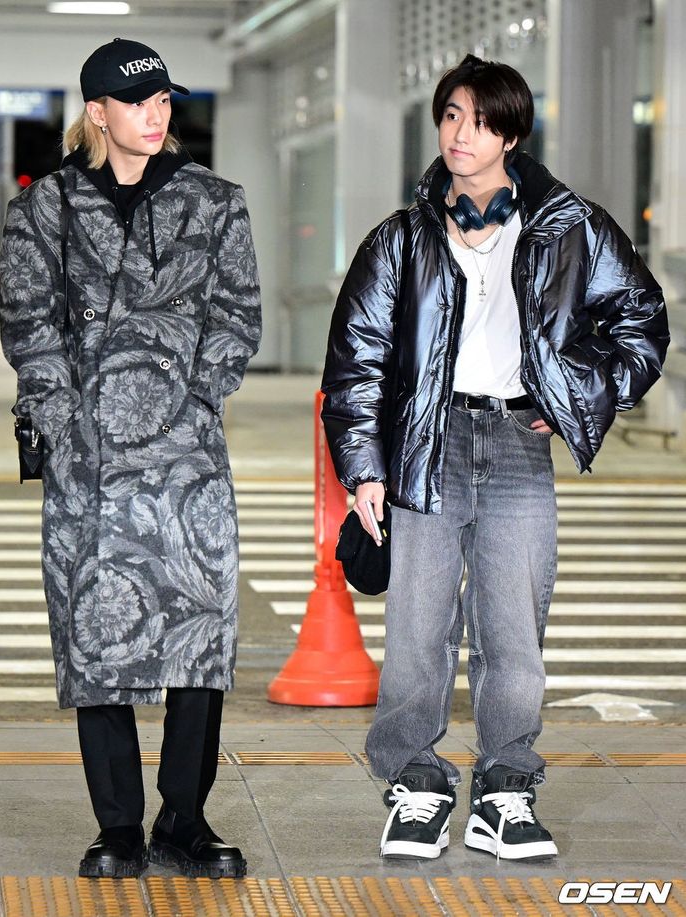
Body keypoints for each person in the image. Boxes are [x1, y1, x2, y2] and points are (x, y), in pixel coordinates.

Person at [321, 54, 668, 861]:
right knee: (416, 630)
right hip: (427, 446)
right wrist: (364, 466)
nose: (458, 133)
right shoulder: (401, 238)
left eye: (476, 120)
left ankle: (505, 789)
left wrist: (581, 394)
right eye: (449, 117)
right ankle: (415, 783)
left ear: (510, 131)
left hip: (517, 443)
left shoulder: (567, 226)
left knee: (513, 631)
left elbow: (640, 324)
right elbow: (357, 361)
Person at [0, 38, 261, 879]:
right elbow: (28, 324)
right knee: (93, 632)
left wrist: (187, 396)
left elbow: (237, 314)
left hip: (186, 457)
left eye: (164, 101)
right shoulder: (45, 210)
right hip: (88, 461)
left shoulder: (215, 203)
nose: (156, 115)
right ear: (98, 112)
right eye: (138, 102)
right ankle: (117, 826)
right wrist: (66, 415)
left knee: (200, 635)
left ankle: (184, 817)